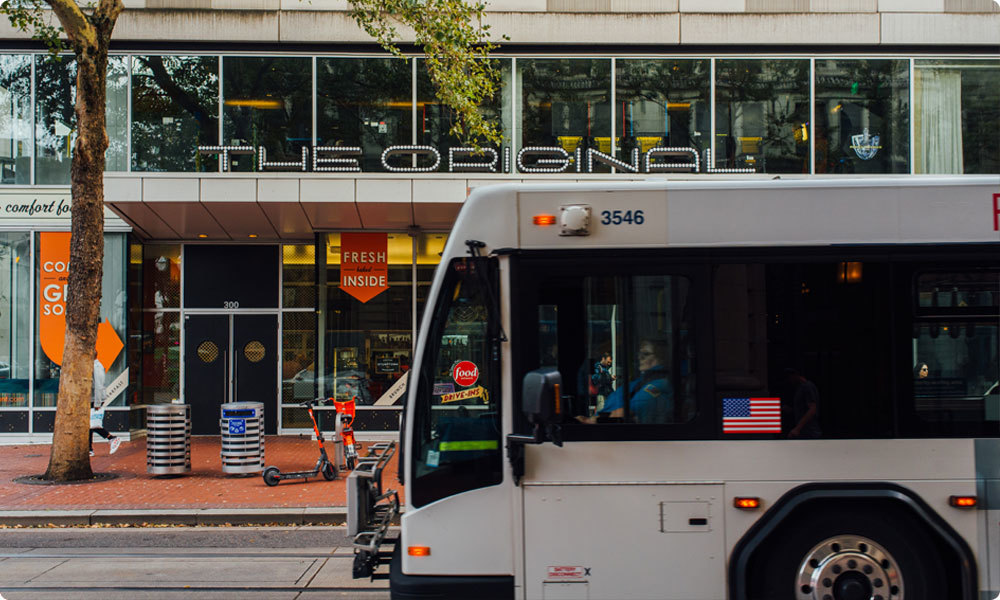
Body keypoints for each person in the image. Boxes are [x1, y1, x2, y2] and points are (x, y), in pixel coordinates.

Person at [578, 340, 673, 424]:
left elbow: (632, 408)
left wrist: (593, 420)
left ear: (661, 358)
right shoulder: (641, 381)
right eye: (639, 354)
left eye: (646, 354)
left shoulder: (660, 384)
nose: (640, 357)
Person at [89, 359, 121, 456]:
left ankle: (111, 438)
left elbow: (98, 385)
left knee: (90, 424)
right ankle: (89, 449)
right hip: (93, 398)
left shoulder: (96, 366)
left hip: (94, 398)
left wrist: (97, 402)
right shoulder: (96, 365)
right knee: (89, 425)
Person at [785, 368, 821, 439]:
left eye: (790, 377)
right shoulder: (800, 388)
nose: (789, 380)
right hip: (804, 432)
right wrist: (792, 410)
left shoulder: (807, 387)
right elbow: (805, 409)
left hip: (810, 432)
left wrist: (797, 428)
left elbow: (812, 409)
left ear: (795, 375)